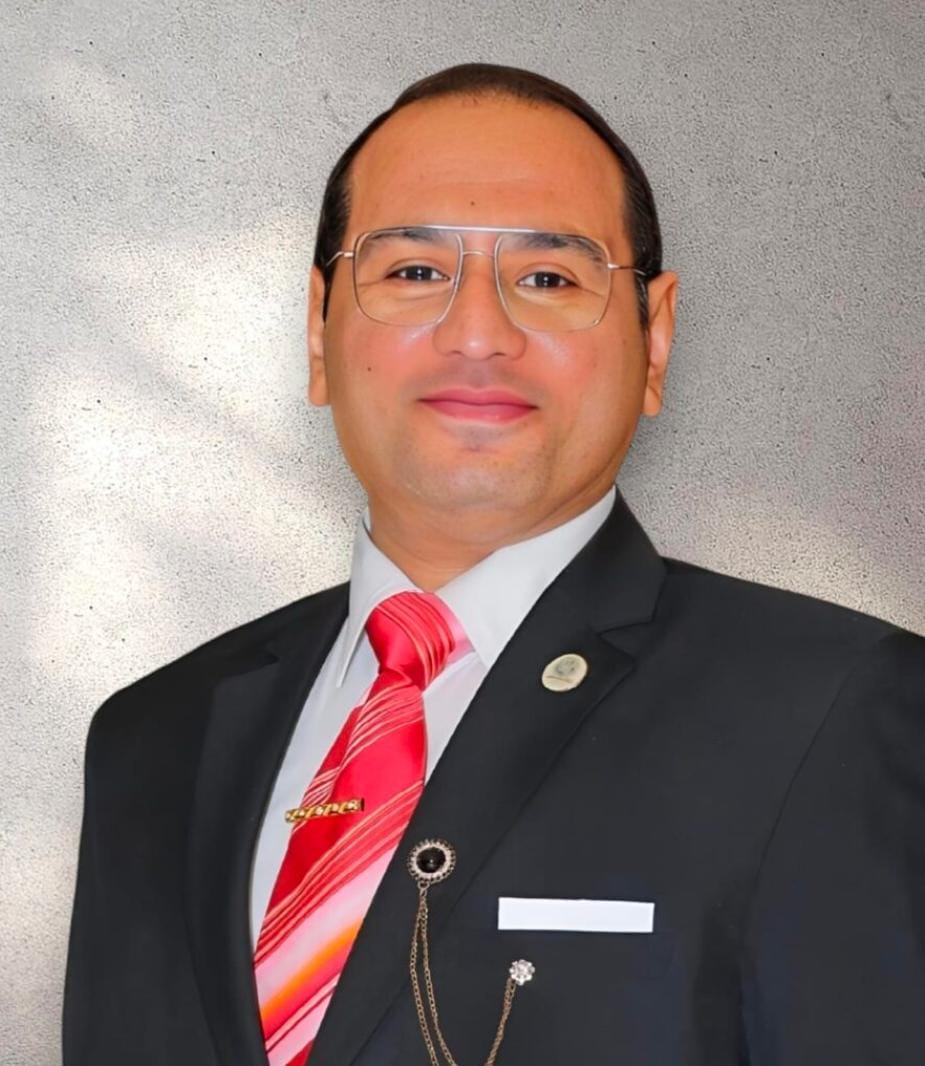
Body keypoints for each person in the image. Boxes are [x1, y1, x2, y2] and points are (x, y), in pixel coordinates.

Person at [63, 63, 925, 1066]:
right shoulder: (153, 739)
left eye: (549, 279)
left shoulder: (831, 709)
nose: (477, 333)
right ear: (317, 329)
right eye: (412, 272)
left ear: (653, 340)